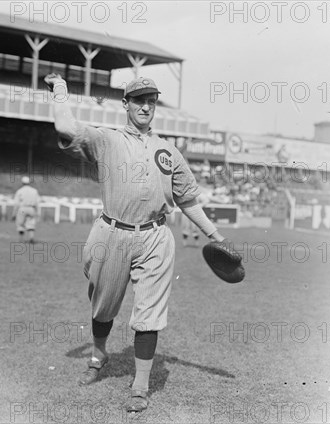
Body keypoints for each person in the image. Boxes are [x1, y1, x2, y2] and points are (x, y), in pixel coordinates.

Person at [44, 73, 231, 413]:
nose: (146, 106)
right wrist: (60, 92)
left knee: (149, 315)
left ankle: (140, 387)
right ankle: (98, 355)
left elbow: (187, 199)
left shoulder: (168, 151)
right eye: (139, 100)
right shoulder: (107, 141)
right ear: (125, 104)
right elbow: (66, 129)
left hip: (156, 237)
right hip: (111, 233)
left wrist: (217, 236)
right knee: (103, 306)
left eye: (152, 101)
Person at [12, 176, 41, 243]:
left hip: (22, 209)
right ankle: (31, 238)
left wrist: (14, 213)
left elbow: (16, 203)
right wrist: (38, 212)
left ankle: (21, 239)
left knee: (20, 224)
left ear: (22, 182)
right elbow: (37, 202)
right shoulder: (34, 191)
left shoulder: (20, 191)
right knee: (31, 223)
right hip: (31, 208)